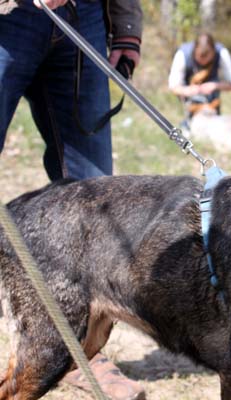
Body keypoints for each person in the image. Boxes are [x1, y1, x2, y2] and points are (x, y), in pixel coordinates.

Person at [0, 0, 145, 398]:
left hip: (84, 18)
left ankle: (78, 351)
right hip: (8, 19)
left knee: (96, 196)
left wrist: (126, 26)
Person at [168, 32, 231, 123]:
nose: (203, 62)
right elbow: (173, 86)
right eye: (200, 57)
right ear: (194, 50)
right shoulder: (182, 54)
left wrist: (214, 86)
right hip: (190, 104)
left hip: (212, 106)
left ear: (214, 51)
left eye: (207, 58)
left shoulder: (221, 53)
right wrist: (188, 90)